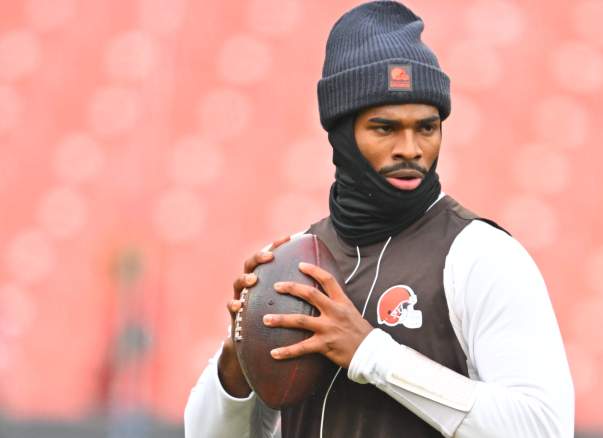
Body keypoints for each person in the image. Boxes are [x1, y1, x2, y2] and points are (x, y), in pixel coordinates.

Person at [184, 2, 574, 437]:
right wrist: (237, 365)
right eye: (384, 128)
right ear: (341, 134)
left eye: (426, 127)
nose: (410, 148)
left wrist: (371, 354)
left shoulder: (482, 256)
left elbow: (543, 428)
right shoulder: (296, 259)